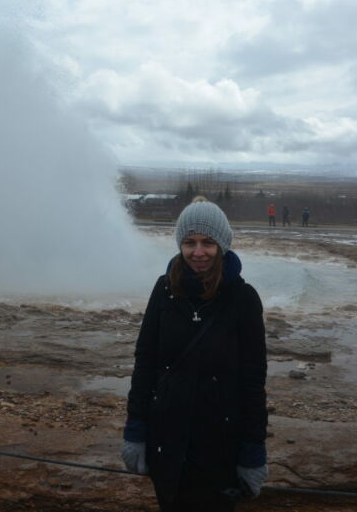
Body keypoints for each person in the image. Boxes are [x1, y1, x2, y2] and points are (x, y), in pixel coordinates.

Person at [121, 197, 268, 512]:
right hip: (167, 443)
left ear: (222, 245)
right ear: (180, 244)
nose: (198, 252)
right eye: (189, 242)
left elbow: (253, 381)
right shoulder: (164, 290)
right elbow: (145, 363)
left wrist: (253, 452)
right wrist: (135, 431)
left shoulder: (243, 299)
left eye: (207, 243)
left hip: (221, 446)